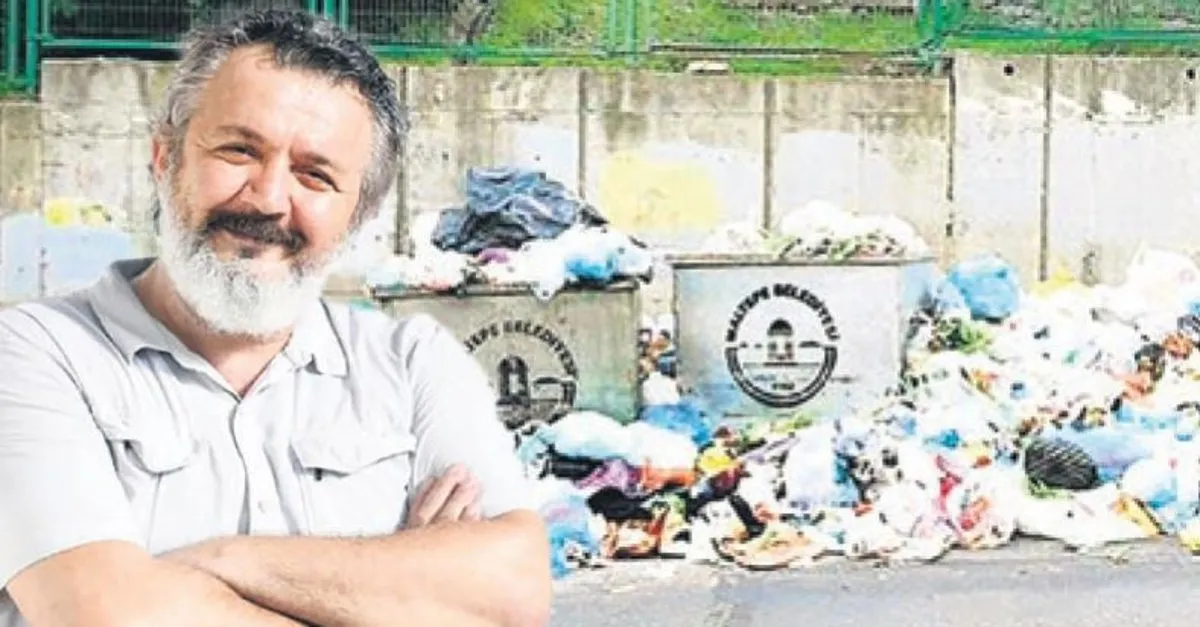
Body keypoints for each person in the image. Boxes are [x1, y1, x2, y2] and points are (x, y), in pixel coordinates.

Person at [0, 8, 551, 627]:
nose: (267, 200)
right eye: (239, 151)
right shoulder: (34, 356)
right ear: (164, 158)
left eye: (315, 175)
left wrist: (215, 561)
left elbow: (514, 590)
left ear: (360, 213)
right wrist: (397, 590)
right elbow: (101, 614)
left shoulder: (413, 364)